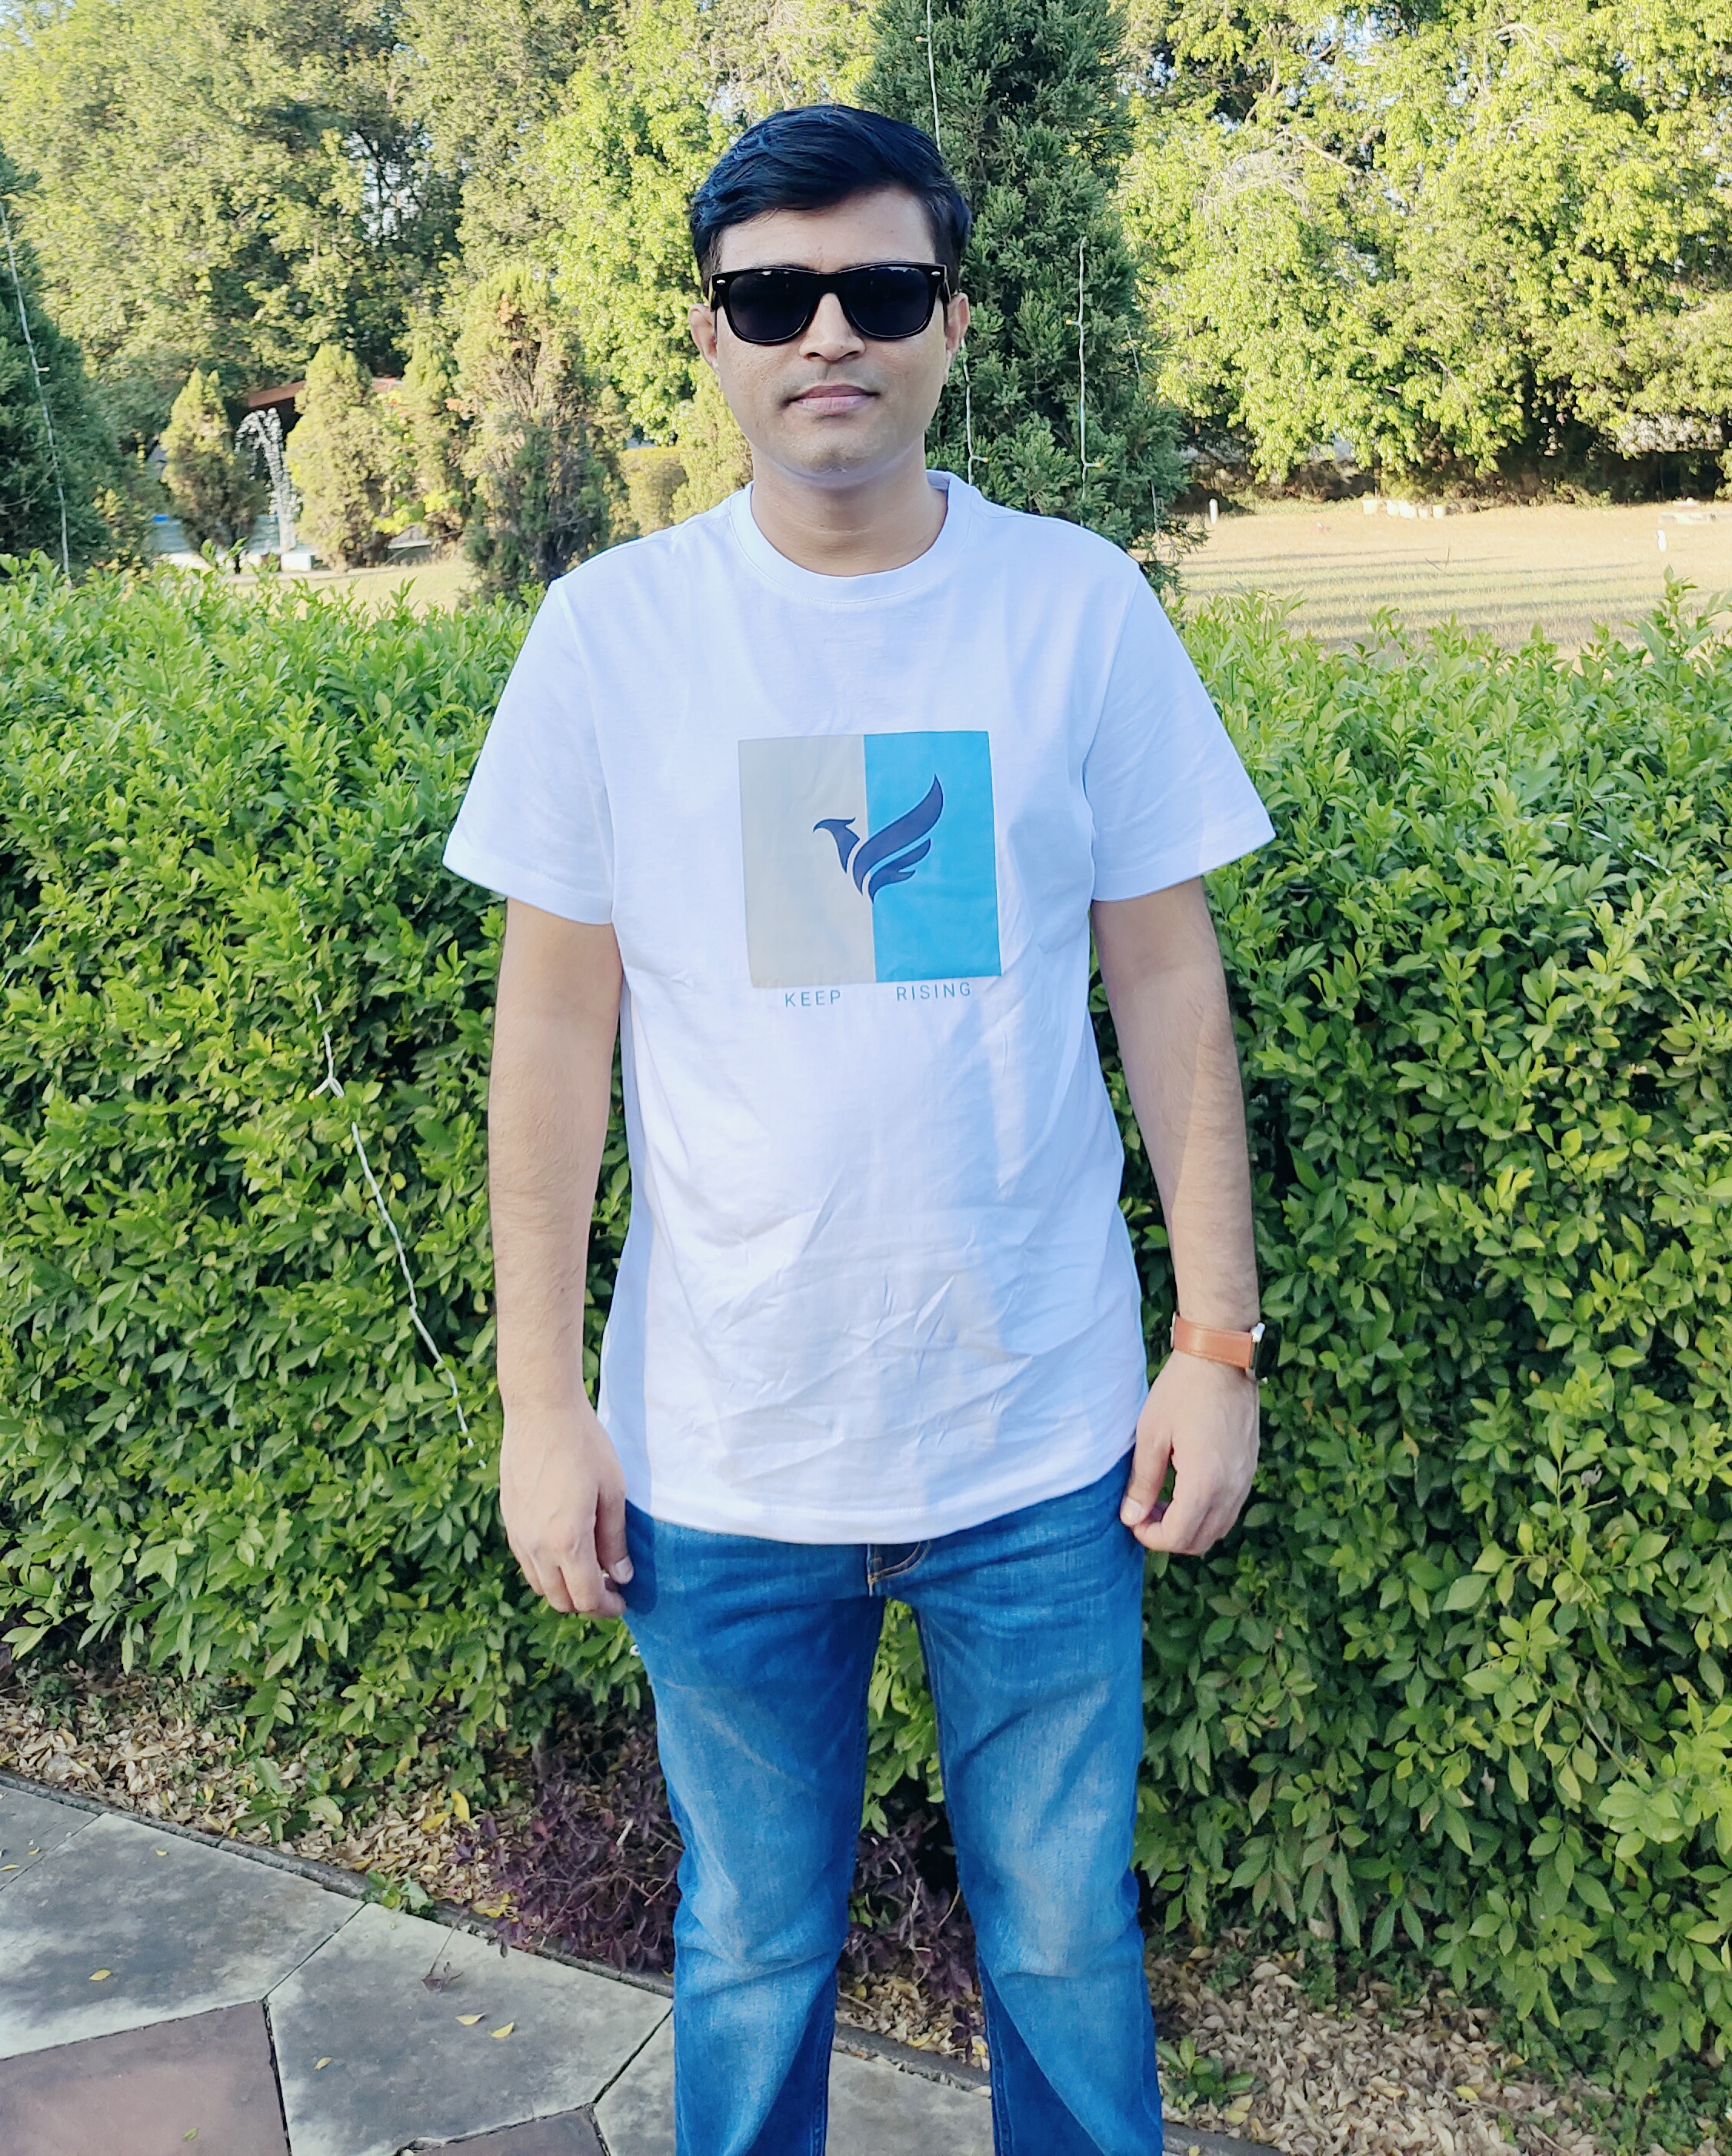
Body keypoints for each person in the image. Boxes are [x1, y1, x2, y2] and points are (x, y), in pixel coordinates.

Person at [444, 105, 1273, 2156]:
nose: (829, 334)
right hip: (723, 1456)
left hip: (1042, 1442)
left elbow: (1170, 988)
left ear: (950, 325)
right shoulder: (611, 636)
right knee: (747, 1943)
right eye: (772, 298)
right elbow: (550, 1036)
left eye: (881, 290)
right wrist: (540, 1405)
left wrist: (1215, 1342)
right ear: (710, 337)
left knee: (1064, 1942)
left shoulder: (1075, 608)